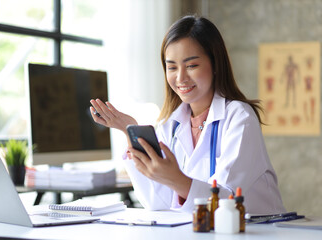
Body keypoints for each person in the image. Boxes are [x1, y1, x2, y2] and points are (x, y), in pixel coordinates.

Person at [90, 15, 285, 214]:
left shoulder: (240, 118)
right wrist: (129, 131)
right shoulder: (169, 126)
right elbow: (158, 202)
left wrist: (177, 180)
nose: (180, 77)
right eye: (172, 67)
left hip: (257, 231)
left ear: (216, 65)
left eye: (191, 65)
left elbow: (226, 201)